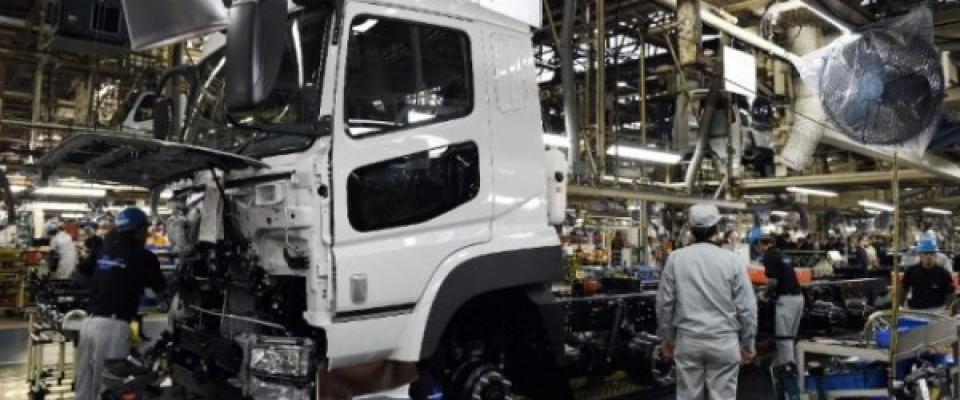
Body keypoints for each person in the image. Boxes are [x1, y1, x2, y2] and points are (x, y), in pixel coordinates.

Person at [656, 204, 758, 400]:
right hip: (724, 341)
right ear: (717, 228)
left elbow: (664, 303)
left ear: (690, 229)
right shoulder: (733, 260)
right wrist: (748, 342)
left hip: (688, 340)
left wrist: (667, 338)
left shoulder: (676, 258)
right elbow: (747, 307)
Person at [74, 208, 167, 400]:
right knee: (110, 388)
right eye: (145, 230)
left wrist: (102, 288)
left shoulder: (104, 248)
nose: (147, 235)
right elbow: (162, 290)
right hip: (112, 327)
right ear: (137, 230)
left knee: (85, 385)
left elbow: (79, 274)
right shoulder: (144, 256)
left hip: (88, 322)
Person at [759, 237, 804, 366]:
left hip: (786, 300)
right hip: (798, 298)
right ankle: (784, 364)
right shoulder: (783, 255)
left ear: (762, 246)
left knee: (783, 338)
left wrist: (764, 295)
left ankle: (786, 369)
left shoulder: (769, 255)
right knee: (790, 337)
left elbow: (773, 281)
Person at [901, 237, 955, 314]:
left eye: (931, 253)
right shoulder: (911, 272)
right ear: (920, 255)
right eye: (925, 253)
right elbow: (903, 291)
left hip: (938, 311)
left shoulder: (943, 273)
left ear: (936, 255)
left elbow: (950, 294)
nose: (929, 256)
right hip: (916, 311)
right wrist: (900, 307)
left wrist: (948, 310)